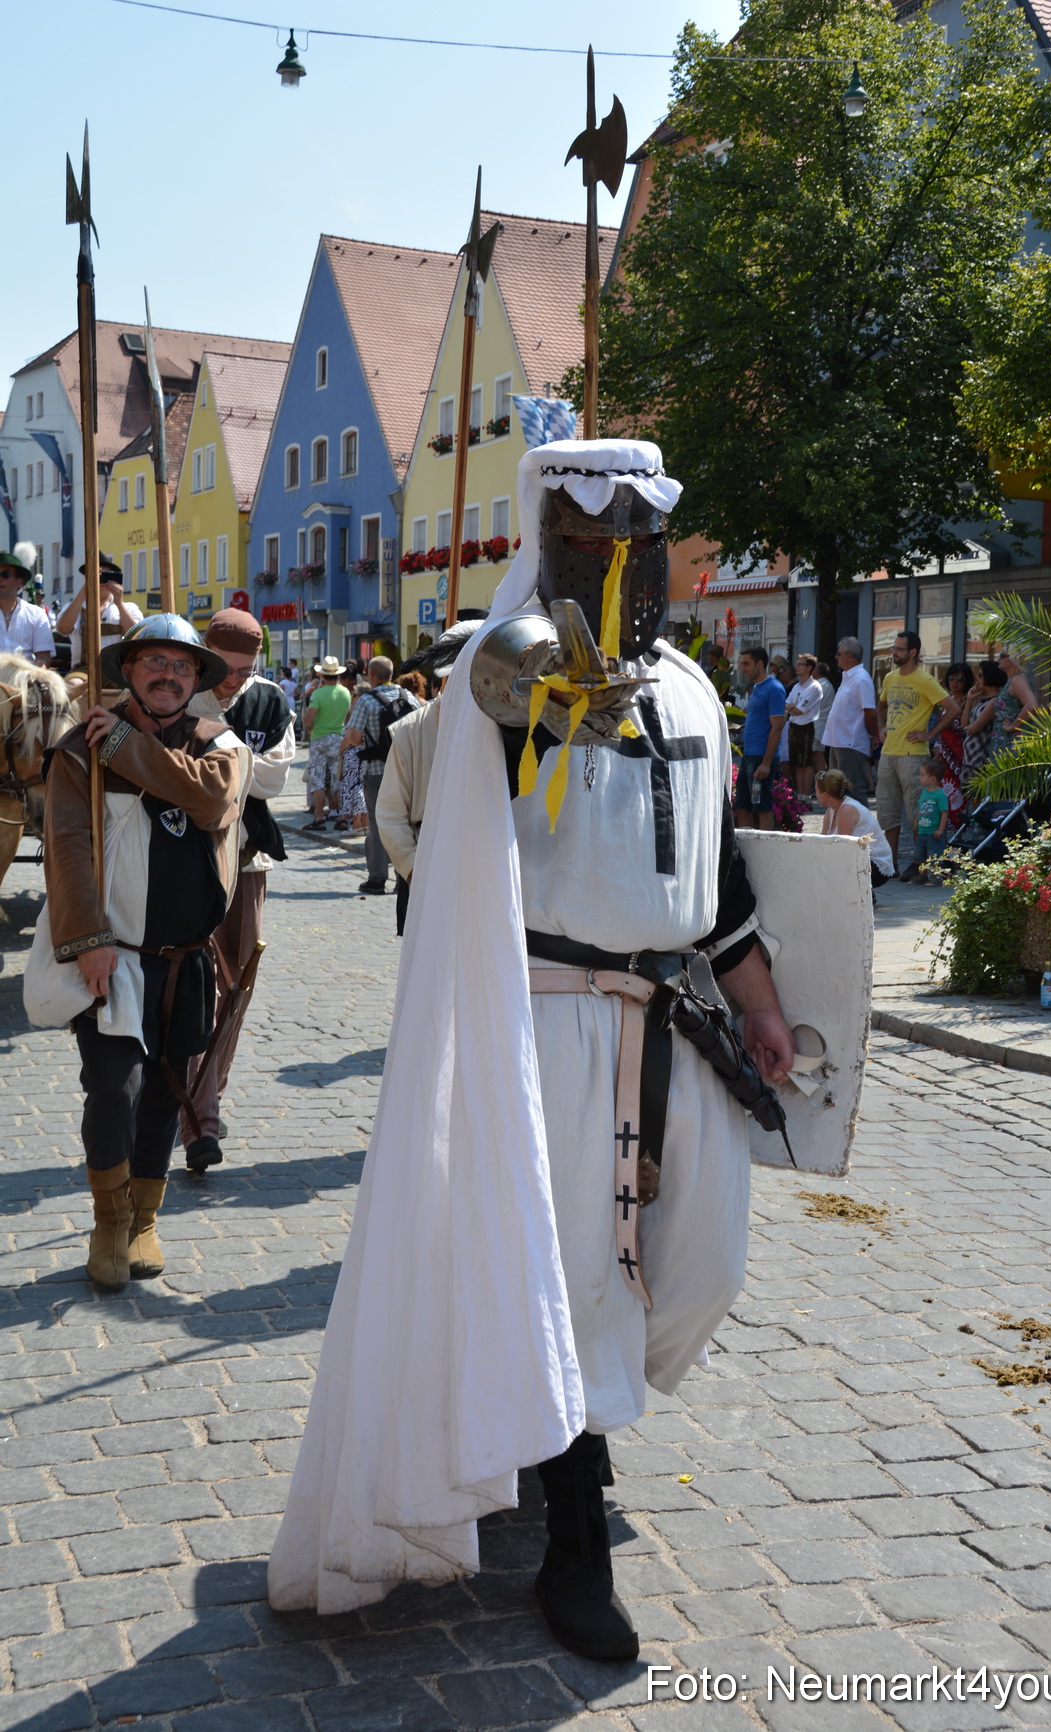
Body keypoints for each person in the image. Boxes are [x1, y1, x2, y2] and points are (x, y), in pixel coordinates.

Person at [268, 439, 796, 1661]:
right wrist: (532, 713)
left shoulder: (690, 691)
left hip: (676, 1018)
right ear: (556, 542)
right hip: (551, 1018)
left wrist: (759, 1002)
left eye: (637, 540)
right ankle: (574, 1528)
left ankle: (545, 1413)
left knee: (703, 1263)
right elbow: (462, 855)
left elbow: (716, 876)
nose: (621, 560)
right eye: (597, 540)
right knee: (574, 1282)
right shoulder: (508, 683)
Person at [35, 615, 248, 1287]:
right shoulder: (79, 750)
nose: (168, 675)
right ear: (127, 670)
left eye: (181, 666)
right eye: (153, 661)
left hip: (186, 957)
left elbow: (211, 802)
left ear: (197, 678)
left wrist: (127, 746)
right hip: (115, 955)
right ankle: (107, 1222)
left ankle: (144, 1221)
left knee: (166, 1090)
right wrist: (88, 941)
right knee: (113, 1087)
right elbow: (66, 850)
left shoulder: (218, 744)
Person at [180, 608, 294, 1173]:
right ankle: (197, 1112)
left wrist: (215, 764)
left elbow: (276, 779)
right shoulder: (180, 689)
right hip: (183, 863)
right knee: (189, 985)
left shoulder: (268, 700)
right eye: (226, 668)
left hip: (247, 863)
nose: (235, 681)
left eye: (245, 670)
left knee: (239, 984)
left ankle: (207, 1094)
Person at [376, 624, 483, 931]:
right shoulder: (411, 730)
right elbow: (391, 811)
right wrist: (415, 870)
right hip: (428, 862)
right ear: (441, 680)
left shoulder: (512, 723)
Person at [876, 631, 959, 872]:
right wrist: (881, 727)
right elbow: (881, 705)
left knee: (918, 814)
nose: (894, 652)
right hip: (888, 753)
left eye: (899, 649)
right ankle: (889, 865)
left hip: (914, 756)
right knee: (887, 813)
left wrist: (931, 735)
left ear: (913, 652)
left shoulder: (925, 680)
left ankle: (920, 865)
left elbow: (952, 708)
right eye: (894, 648)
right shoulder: (890, 678)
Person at [341, 656, 420, 895]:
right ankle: (404, 876)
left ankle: (376, 878)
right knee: (405, 822)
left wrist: (371, 741)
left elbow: (354, 738)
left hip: (377, 770)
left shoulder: (366, 700)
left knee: (377, 824)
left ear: (372, 676)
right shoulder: (410, 697)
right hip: (408, 770)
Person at [56, 553, 142, 676]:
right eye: (97, 576)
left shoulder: (128, 608)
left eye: (105, 576)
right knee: (73, 685)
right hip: (83, 671)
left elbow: (138, 638)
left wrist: (119, 604)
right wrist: (85, 588)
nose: (101, 581)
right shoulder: (75, 607)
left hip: (120, 671)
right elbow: (62, 629)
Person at [815, 767, 894, 896]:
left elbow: (843, 849)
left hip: (875, 866)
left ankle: (861, 892)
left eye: (816, 790)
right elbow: (822, 843)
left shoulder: (847, 809)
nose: (815, 794)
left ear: (825, 794)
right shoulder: (831, 810)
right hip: (858, 859)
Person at [733, 646, 785, 829]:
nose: (742, 668)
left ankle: (766, 854)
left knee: (762, 808)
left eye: (746, 664)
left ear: (760, 664)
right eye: (741, 664)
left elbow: (777, 728)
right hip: (749, 756)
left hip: (761, 758)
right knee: (742, 807)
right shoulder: (757, 687)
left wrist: (766, 762)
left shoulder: (774, 689)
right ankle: (745, 853)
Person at [821, 637, 878, 804]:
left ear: (849, 656)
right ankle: (842, 827)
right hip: (837, 741)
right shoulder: (848, 677)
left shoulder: (861, 678)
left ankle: (862, 829)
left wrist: (871, 736)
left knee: (853, 791)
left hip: (850, 743)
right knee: (836, 790)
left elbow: (870, 712)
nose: (836, 657)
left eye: (839, 654)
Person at [303, 656, 351, 830]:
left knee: (317, 780)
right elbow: (348, 717)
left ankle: (319, 817)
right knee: (338, 779)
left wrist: (308, 722)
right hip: (338, 738)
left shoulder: (318, 693)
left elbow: (309, 719)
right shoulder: (345, 692)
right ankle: (342, 817)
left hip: (320, 738)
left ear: (322, 675)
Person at [968, 649, 1038, 756]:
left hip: (1012, 745)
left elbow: (1032, 705)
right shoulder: (1012, 681)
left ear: (1014, 658)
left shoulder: (1018, 680)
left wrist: (1012, 727)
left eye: (1002, 655)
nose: (998, 658)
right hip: (1005, 743)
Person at [0, 544, 53, 666]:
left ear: (19, 582)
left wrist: (40, 669)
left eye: (5, 574)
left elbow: (43, 655)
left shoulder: (36, 614)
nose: (0, 579)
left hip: (24, 679)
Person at [936, 662, 973, 829]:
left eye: (960, 679)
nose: (955, 682)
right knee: (943, 796)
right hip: (943, 755)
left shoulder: (971, 700)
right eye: (951, 678)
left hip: (962, 757)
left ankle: (959, 836)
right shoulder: (946, 701)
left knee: (958, 796)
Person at [901, 756, 950, 882]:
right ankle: (922, 875)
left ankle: (935, 876)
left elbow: (944, 812)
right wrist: (917, 819)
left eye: (922, 775)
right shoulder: (925, 792)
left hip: (933, 832)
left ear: (933, 779)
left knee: (934, 856)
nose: (919, 777)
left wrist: (940, 829)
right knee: (920, 854)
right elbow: (922, 808)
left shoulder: (940, 795)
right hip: (923, 830)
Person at [960, 659, 1005, 791]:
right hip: (970, 757)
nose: (977, 679)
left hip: (979, 759)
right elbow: (964, 724)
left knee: (977, 798)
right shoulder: (982, 700)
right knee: (970, 798)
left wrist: (968, 728)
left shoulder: (994, 701)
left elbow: (973, 728)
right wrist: (970, 700)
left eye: (980, 675)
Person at [784, 652, 823, 801]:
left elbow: (800, 710)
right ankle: (800, 793)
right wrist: (793, 707)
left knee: (805, 762)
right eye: (797, 664)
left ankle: (806, 795)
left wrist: (793, 707)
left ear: (809, 667)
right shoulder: (797, 687)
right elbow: (787, 705)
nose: (797, 666)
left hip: (806, 726)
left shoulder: (814, 687)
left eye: (800, 664)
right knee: (796, 762)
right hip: (794, 725)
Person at [810, 660, 834, 778]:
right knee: (817, 756)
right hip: (820, 726)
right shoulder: (825, 684)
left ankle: (821, 783)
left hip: (817, 726)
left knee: (817, 757)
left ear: (816, 671)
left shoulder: (821, 685)